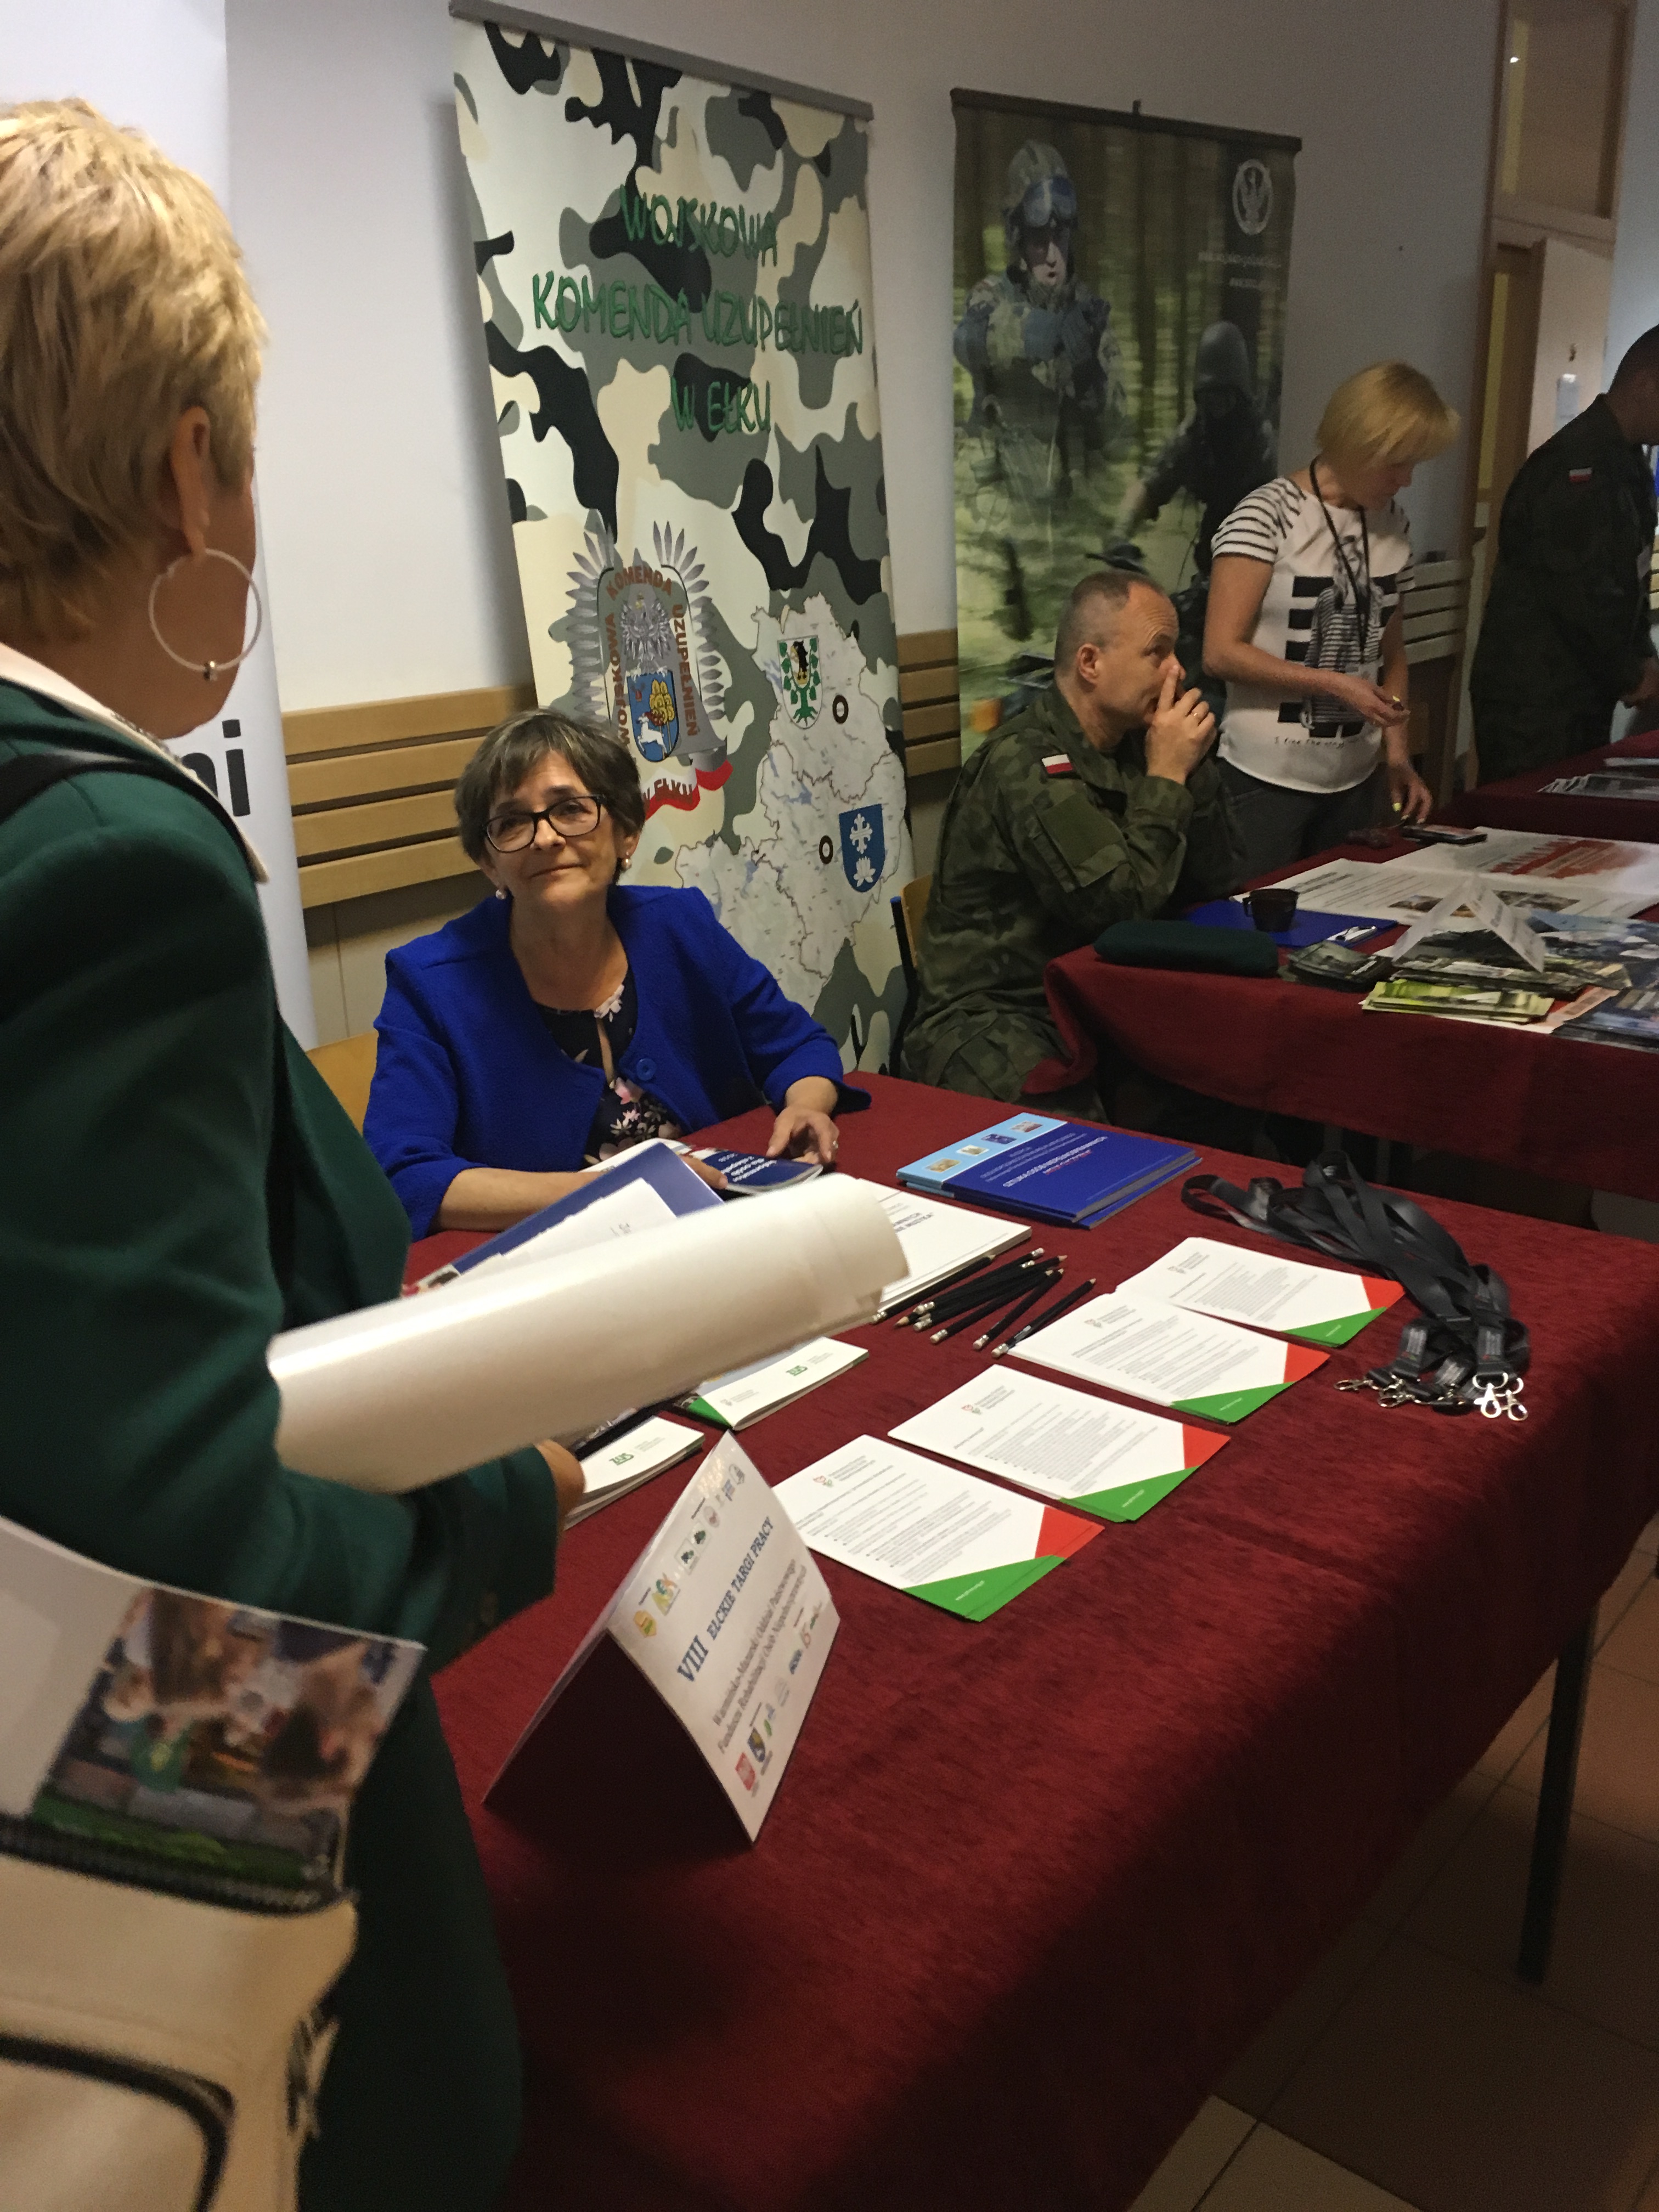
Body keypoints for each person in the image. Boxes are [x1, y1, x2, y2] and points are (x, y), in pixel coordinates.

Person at [0, 101, 582, 2211]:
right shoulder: (104, 855)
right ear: (188, 470)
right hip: (147, 1907)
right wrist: (497, 1515)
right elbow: (186, 1586)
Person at [364, 710, 862, 1237]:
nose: (544, 838)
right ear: (489, 862)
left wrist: (807, 1105)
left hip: (722, 1230)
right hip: (553, 1255)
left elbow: (795, 1046)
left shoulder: (680, 925)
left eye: (570, 810)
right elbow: (402, 1177)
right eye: (512, 822)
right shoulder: (430, 981)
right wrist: (612, 1192)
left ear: (627, 833)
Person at [902, 569, 1240, 1108]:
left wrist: (1190, 770)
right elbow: (1118, 908)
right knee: (1075, 1143)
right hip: (998, 1017)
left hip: (1098, 996)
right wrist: (1167, 777)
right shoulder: (1025, 762)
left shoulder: (1139, 746)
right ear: (1090, 663)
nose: (1177, 669)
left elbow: (1217, 881)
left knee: (1226, 1089)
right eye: (1157, 652)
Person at [1203, 360, 1459, 877]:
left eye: (1414, 464)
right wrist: (1334, 685)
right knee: (1255, 912)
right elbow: (1220, 653)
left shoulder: (1393, 522)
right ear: (1358, 444)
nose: (1406, 480)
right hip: (1264, 778)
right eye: (1396, 464)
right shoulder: (1267, 514)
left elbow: (1392, 655)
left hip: (1354, 780)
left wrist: (1397, 756)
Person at [1470, 325, 1659, 783]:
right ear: (1646, 384)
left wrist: (1643, 655)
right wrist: (1630, 673)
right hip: (1534, 699)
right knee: (1527, 815)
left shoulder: (1628, 462)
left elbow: (1629, 579)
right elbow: (1580, 594)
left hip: (1580, 691)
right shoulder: (1575, 464)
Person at [1114, 320, 1278, 715]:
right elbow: (1154, 481)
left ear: (1240, 394)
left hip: (1257, 575)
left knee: (1215, 670)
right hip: (1214, 567)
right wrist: (1119, 534)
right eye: (1209, 397)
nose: (1216, 407)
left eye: (1224, 396)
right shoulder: (1197, 434)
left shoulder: (1261, 442)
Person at [953, 140, 1126, 507]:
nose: (1052, 256)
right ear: (1019, 240)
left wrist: (1090, 376)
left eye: (1060, 238)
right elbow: (967, 340)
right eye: (1038, 242)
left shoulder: (1087, 314)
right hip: (1000, 506)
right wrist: (1043, 332)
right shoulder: (992, 296)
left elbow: (1114, 437)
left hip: (1066, 514)